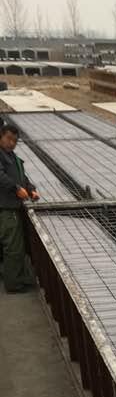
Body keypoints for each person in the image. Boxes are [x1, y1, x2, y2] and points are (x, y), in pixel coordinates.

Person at [0, 122, 40, 293]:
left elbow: (22, 177)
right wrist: (16, 189)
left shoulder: (12, 157)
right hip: (6, 208)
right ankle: (14, 284)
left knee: (16, 246)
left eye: (15, 141)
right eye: (8, 138)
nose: (11, 143)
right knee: (13, 248)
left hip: (13, 207)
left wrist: (31, 190)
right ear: (1, 136)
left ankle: (18, 277)